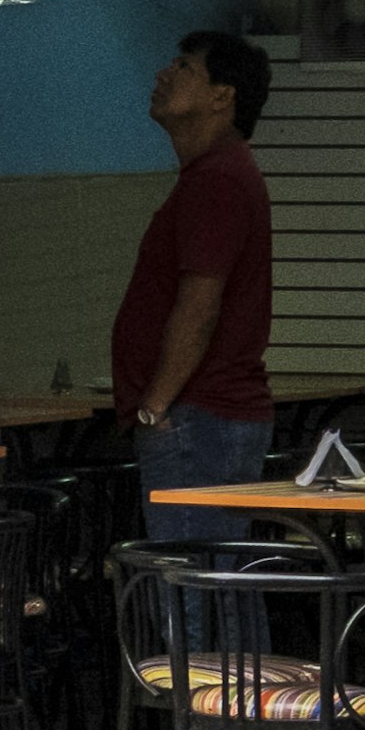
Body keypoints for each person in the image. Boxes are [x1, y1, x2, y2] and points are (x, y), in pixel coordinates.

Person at [110, 30, 278, 542]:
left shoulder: (217, 181)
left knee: (190, 591)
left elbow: (199, 307)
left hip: (197, 418)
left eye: (183, 68)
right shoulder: (214, 175)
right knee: (219, 589)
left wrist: (154, 407)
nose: (163, 75)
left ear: (221, 96)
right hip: (207, 416)